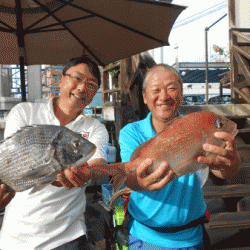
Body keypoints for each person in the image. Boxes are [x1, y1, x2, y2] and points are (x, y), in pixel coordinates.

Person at [119, 64, 242, 250]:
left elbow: (223, 171)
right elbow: (131, 178)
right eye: (156, 90)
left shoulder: (196, 125)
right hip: (145, 238)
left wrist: (231, 163)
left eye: (171, 88)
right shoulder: (131, 132)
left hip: (192, 238)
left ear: (182, 93)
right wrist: (138, 182)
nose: (164, 96)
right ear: (144, 97)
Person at [0, 56, 109, 250]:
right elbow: (10, 163)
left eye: (91, 84)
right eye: (77, 78)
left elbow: (98, 162)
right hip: (16, 238)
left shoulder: (95, 128)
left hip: (67, 238)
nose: (83, 88)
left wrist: (89, 173)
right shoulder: (24, 112)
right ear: (61, 79)